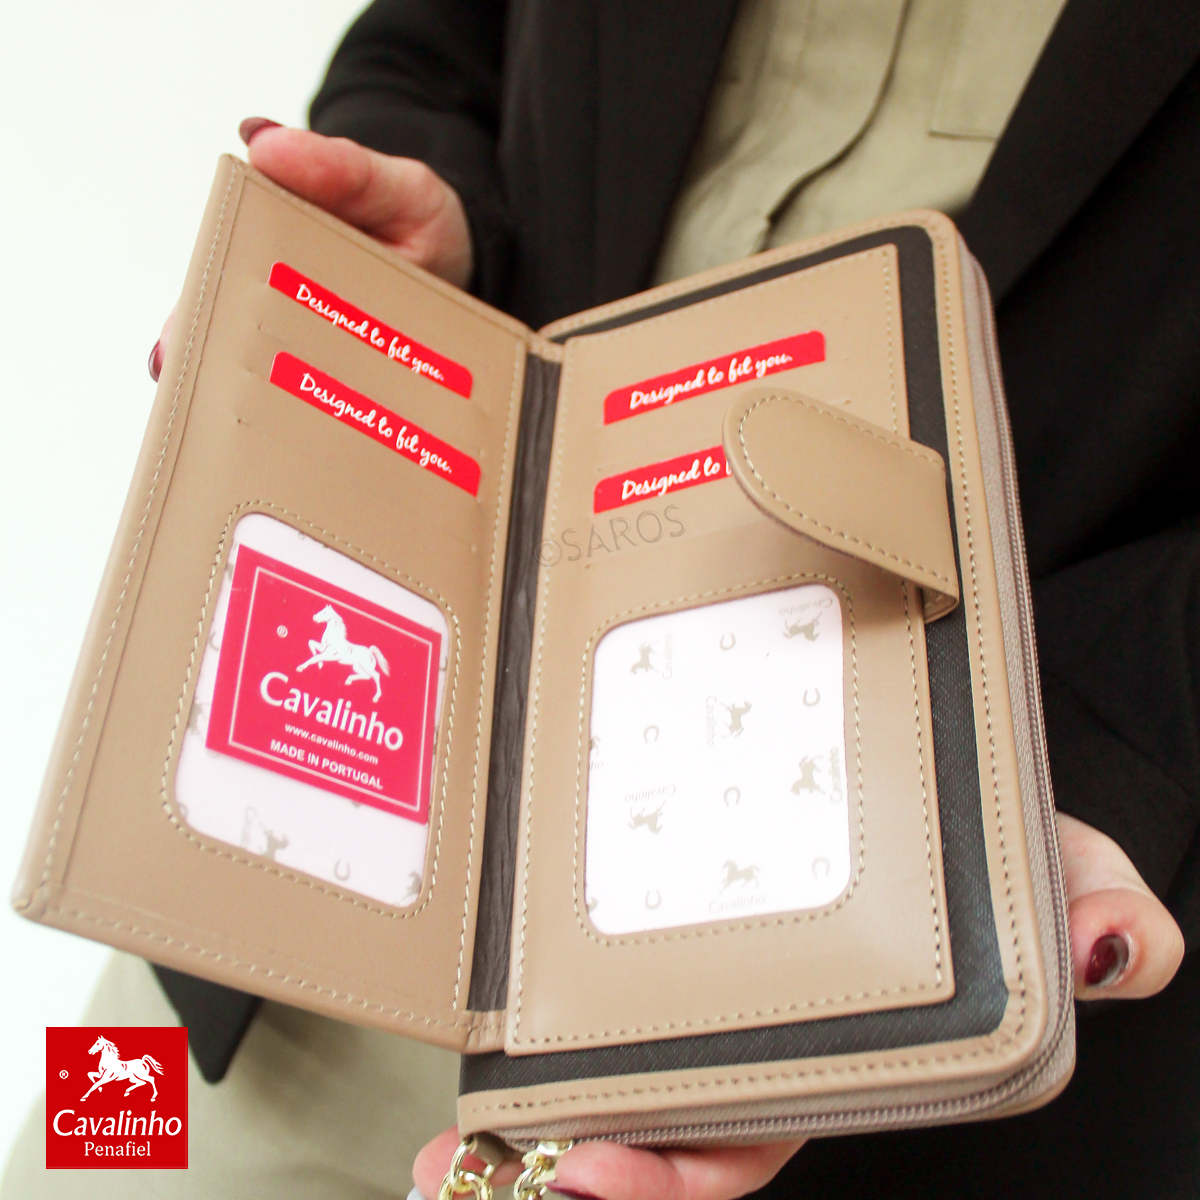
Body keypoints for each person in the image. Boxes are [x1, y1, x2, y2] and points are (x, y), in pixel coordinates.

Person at [6, 2, 1197, 1198]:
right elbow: (430, 41)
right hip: (273, 929)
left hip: (790, 1006)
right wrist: (423, 219)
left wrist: (1051, 750)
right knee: (80, 1176)